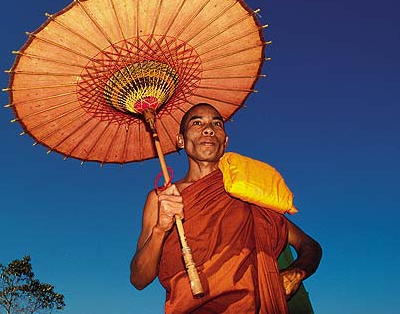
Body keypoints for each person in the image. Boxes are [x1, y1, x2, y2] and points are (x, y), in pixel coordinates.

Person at [130, 103, 322, 314]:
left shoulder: (245, 187)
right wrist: (160, 229)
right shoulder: (162, 198)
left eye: (217, 123)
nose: (209, 128)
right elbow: (139, 279)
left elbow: (309, 245)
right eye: (197, 122)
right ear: (181, 141)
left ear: (225, 141)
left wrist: (296, 272)